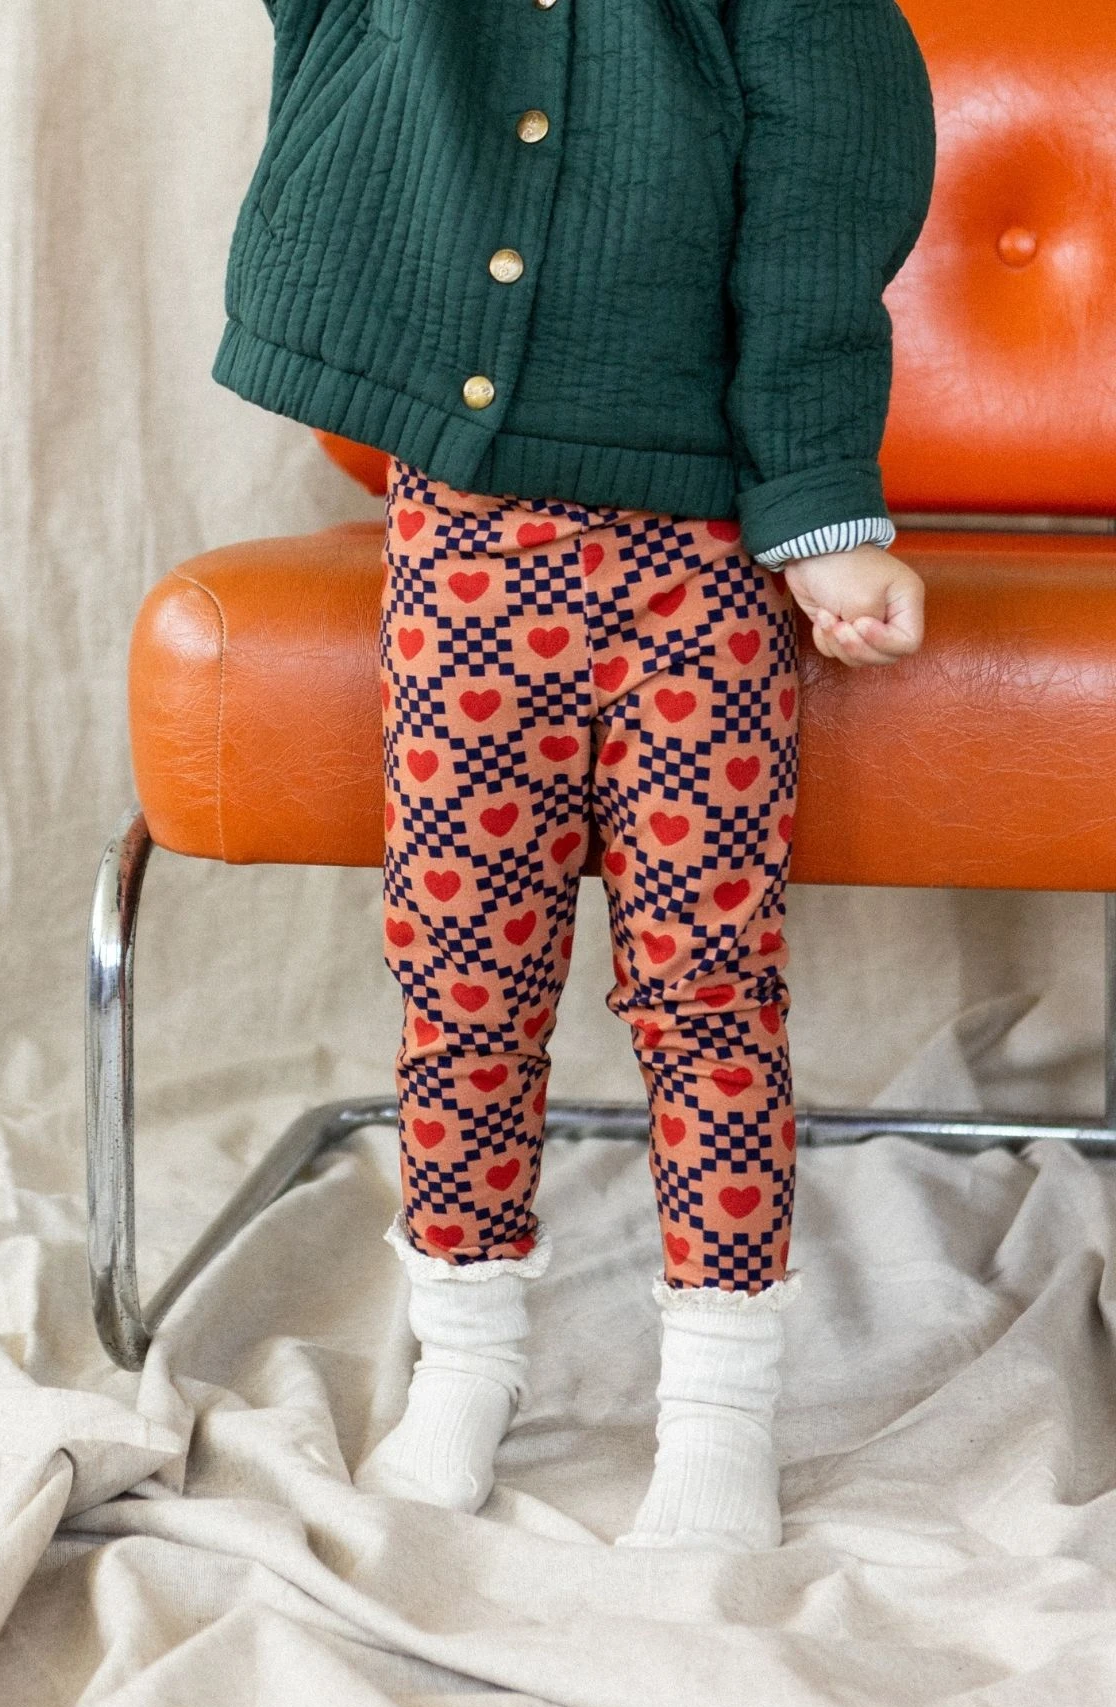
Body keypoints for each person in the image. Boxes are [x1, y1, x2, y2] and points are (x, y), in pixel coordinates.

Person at [213, 0, 937, 1550]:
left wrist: (823, 510)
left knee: (708, 986)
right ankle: (464, 1362)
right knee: (462, 972)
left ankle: (721, 1409)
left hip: (707, 562)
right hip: (466, 548)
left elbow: (822, 206)